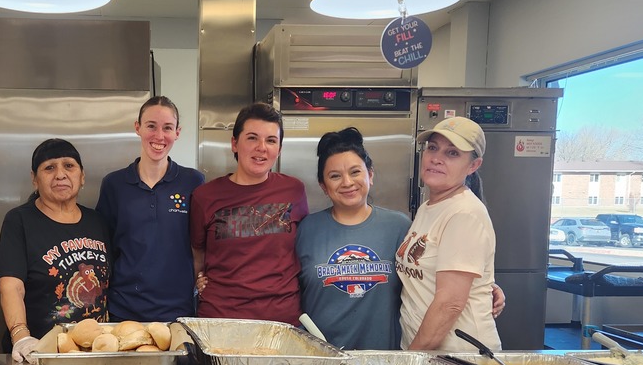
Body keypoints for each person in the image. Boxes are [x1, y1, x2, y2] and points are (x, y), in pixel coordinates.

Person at [189, 102, 308, 324]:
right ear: (234, 143)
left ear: (279, 149)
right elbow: (198, 255)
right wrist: (199, 280)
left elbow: (302, 250)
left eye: (271, 140)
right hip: (221, 321)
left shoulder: (295, 190)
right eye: (252, 138)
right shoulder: (204, 196)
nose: (262, 147)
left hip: (281, 323)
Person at [295, 128, 412, 350]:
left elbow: (427, 282)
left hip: (383, 364)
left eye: (355, 172)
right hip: (321, 361)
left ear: (370, 175)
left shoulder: (400, 227)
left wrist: (486, 288)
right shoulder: (307, 229)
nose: (347, 182)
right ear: (324, 186)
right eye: (335, 176)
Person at [0, 139, 110, 363]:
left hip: (94, 351)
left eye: (69, 166)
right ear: (34, 179)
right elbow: (11, 286)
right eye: (49, 168)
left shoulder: (98, 221)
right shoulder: (19, 220)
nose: (60, 174)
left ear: (82, 176)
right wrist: (21, 336)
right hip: (39, 353)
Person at [396, 116, 501, 352]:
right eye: (433, 148)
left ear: (473, 166)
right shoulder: (428, 208)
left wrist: (409, 362)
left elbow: (450, 304)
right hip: (428, 351)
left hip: (458, 356)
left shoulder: (464, 213)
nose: (436, 158)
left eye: (452, 153)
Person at [96, 96, 205, 322]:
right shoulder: (114, 184)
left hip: (178, 312)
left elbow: (201, 246)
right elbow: (104, 249)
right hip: (123, 311)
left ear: (177, 132)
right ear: (138, 128)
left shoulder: (193, 181)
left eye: (167, 128)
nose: (159, 136)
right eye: (151, 126)